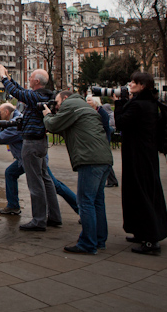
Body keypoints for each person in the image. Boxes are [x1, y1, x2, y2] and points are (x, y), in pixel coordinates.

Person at [44, 91, 114, 254]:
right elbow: (69, 130)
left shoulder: (70, 105)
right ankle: (99, 240)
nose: (57, 105)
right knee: (97, 201)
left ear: (65, 98)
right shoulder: (84, 107)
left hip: (90, 160)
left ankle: (87, 244)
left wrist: (47, 115)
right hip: (104, 159)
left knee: (85, 201)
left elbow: (53, 125)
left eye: (58, 101)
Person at [0, 65, 61, 231]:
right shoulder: (44, 95)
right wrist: (10, 79)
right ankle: (54, 216)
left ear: (37, 81)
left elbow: (18, 93)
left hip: (32, 143)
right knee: (46, 180)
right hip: (41, 142)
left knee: (35, 183)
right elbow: (22, 92)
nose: (29, 80)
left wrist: (4, 79)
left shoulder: (36, 96)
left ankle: (39, 220)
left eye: (31, 77)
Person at [114, 71, 167, 255]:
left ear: (142, 85)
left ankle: (151, 240)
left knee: (141, 192)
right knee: (141, 191)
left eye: (134, 82)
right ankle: (142, 231)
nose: (130, 84)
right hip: (145, 154)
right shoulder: (149, 102)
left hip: (138, 155)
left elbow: (120, 123)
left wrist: (119, 102)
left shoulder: (139, 105)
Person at [0, 103, 79, 216]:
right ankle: (13, 205)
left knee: (54, 185)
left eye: (0, 112)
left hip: (33, 158)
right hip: (24, 158)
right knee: (10, 173)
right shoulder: (13, 119)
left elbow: (1, 138)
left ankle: (80, 209)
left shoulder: (17, 123)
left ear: (7, 112)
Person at [87, 96, 118, 187]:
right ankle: (111, 180)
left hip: (103, 139)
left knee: (104, 161)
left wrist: (106, 140)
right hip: (96, 139)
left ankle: (112, 180)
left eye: (89, 100)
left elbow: (106, 128)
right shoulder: (91, 111)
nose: (87, 102)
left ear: (95, 101)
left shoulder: (101, 112)